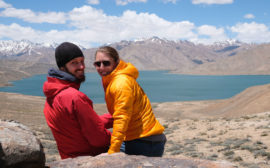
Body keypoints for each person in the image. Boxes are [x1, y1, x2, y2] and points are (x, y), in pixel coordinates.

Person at [43, 42, 113, 159]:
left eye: (82, 61)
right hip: (90, 158)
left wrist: (114, 118)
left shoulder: (52, 95)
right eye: (74, 63)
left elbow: (79, 125)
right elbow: (98, 139)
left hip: (68, 159)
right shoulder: (74, 97)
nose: (81, 66)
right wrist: (118, 135)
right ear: (62, 67)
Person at [93, 46, 166, 157]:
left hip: (143, 141)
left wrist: (113, 152)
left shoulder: (121, 83)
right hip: (142, 138)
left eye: (106, 63)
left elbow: (121, 117)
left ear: (116, 62)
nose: (101, 67)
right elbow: (121, 111)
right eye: (97, 64)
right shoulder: (114, 79)